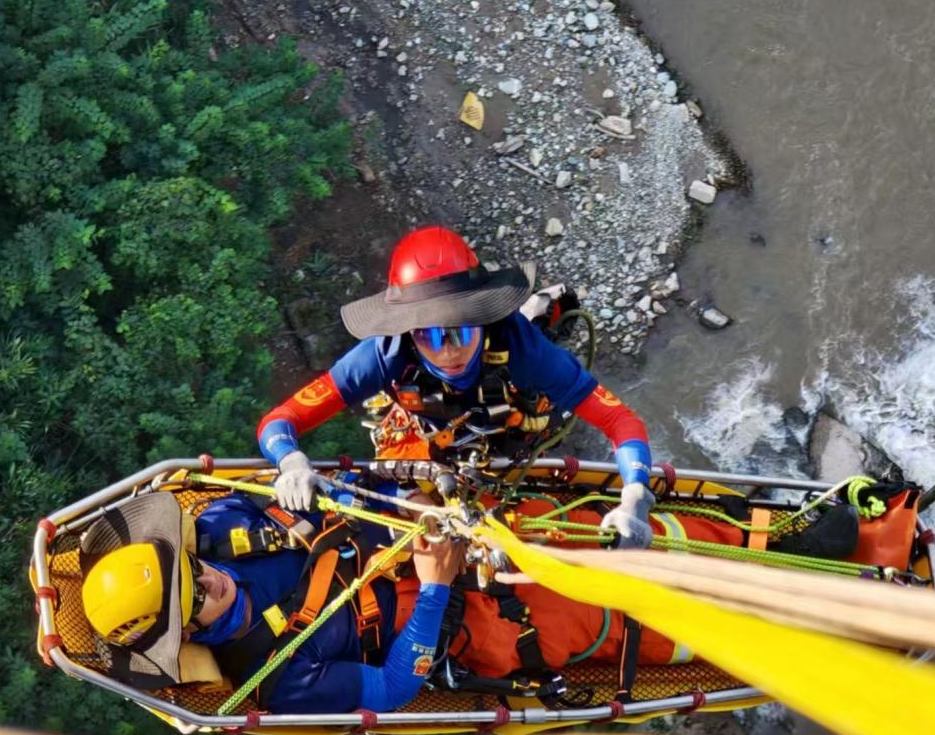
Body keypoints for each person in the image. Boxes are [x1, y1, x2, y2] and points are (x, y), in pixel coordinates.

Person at [80, 493, 698, 714]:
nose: (211, 579)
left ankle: (741, 542)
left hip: (424, 537)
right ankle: (724, 622)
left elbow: (321, 504)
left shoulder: (224, 524)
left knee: (561, 528)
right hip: (456, 619)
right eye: (195, 597)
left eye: (191, 568)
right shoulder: (276, 676)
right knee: (577, 618)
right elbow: (396, 688)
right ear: (184, 632)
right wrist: (433, 590)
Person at [257, 226, 657, 548]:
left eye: (461, 331)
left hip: (508, 431)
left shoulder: (520, 347)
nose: (448, 352)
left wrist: (636, 494)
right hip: (431, 435)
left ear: (483, 320)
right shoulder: (383, 353)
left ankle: (538, 313)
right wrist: (291, 461)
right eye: (429, 337)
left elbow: (618, 419)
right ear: (408, 333)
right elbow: (281, 420)